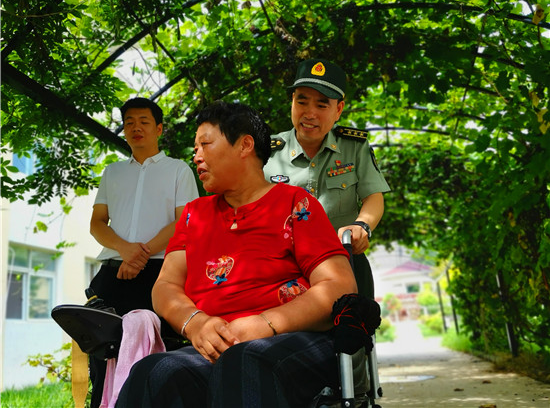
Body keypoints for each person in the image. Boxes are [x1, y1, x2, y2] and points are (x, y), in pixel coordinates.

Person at [115, 101, 358, 408]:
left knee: (243, 362)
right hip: (215, 345)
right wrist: (196, 323)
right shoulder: (193, 215)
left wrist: (265, 323)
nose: (196, 156)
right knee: (153, 372)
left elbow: (339, 285)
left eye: (205, 144)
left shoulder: (295, 203)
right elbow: (165, 287)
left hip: (291, 339)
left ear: (245, 145)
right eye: (195, 148)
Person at [263, 58, 391, 401]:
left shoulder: (354, 147)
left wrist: (362, 226)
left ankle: (356, 396)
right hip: (282, 269)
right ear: (291, 103)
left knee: (353, 340)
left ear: (339, 110)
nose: (310, 112)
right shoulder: (265, 152)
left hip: (343, 260)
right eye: (301, 101)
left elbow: (374, 197)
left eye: (322, 104)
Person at [88, 97, 199, 408]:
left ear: (159, 128)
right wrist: (126, 251)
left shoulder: (179, 170)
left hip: (159, 275)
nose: (136, 128)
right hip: (112, 274)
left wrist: (140, 255)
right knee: (102, 356)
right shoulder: (112, 172)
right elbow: (97, 224)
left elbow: (185, 221)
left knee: (155, 355)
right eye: (129, 123)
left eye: (144, 122)